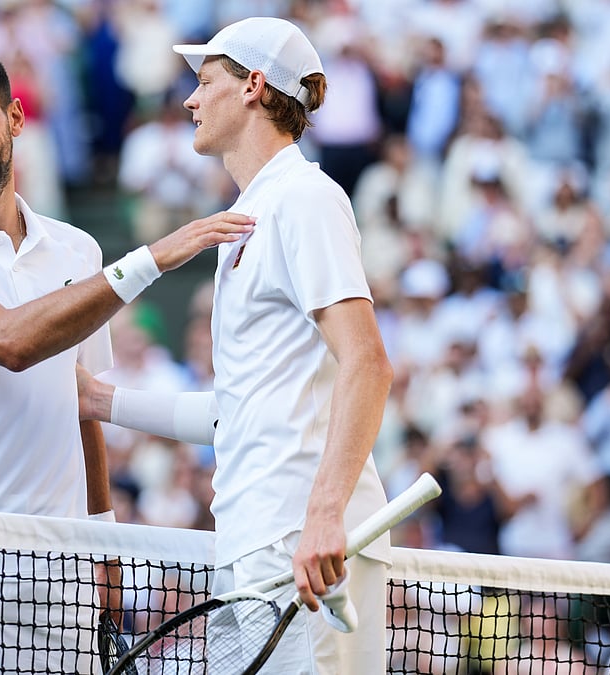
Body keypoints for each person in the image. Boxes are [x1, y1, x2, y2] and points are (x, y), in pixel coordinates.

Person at [0, 41, 254, 673]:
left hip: (58, 561)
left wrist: (103, 536)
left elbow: (82, 399)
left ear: (15, 118)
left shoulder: (77, 251)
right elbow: (9, 343)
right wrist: (154, 258)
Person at [79, 17, 395, 672]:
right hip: (257, 541)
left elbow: (367, 360)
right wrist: (99, 400)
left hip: (305, 542)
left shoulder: (304, 197)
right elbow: (236, 413)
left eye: (204, 81)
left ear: (253, 86)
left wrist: (326, 513)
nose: (191, 100)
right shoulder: (249, 221)